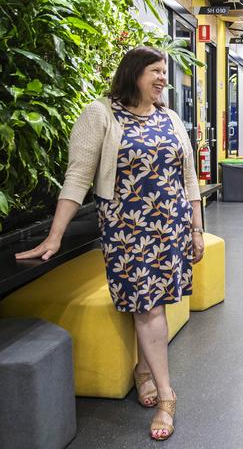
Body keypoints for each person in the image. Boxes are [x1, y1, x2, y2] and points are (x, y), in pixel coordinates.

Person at [15, 46, 203, 441]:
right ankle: (168, 397)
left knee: (154, 302)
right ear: (133, 72)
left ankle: (144, 371)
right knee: (147, 305)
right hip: (127, 229)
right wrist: (55, 234)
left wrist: (197, 228)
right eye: (155, 71)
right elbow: (78, 177)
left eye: (164, 72)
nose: (162, 79)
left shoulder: (169, 117)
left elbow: (188, 178)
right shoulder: (101, 114)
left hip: (171, 226)